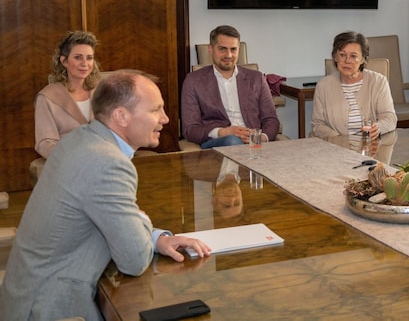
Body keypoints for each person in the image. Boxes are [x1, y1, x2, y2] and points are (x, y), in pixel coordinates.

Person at [0, 70, 211, 320]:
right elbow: (133, 261)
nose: (165, 118)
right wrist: (140, 218)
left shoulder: (80, 139)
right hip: (51, 307)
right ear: (121, 116)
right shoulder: (107, 163)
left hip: (25, 294)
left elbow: (111, 219)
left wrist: (154, 238)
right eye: (155, 110)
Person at [181, 25, 280, 148]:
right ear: (210, 49)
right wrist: (223, 132)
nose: (228, 55)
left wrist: (260, 139)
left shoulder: (256, 78)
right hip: (218, 141)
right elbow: (190, 129)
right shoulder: (193, 81)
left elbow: (271, 119)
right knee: (232, 141)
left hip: (253, 141)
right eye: (222, 49)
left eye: (233, 49)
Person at [312, 31, 397, 140]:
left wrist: (377, 128)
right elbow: (318, 124)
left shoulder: (378, 82)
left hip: (370, 148)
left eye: (353, 56)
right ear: (335, 57)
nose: (347, 61)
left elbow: (390, 118)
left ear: (362, 59)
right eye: (342, 55)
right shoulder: (323, 86)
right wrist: (339, 140)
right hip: (335, 149)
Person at [34, 31, 102, 159]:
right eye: (78, 57)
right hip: (68, 162)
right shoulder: (47, 97)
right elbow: (45, 143)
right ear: (64, 61)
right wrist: (74, 158)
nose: (85, 63)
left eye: (89, 58)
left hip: (104, 160)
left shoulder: (102, 91)